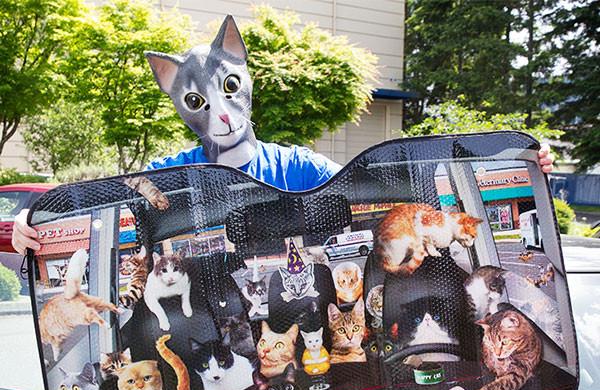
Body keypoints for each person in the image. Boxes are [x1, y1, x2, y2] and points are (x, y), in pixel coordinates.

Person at [11, 15, 555, 256]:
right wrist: (30, 223)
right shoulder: (172, 175)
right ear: (179, 105)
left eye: (228, 88)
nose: (220, 113)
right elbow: (107, 198)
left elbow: (390, 184)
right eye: (197, 101)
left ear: (246, 77)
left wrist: (510, 165)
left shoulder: (296, 167)